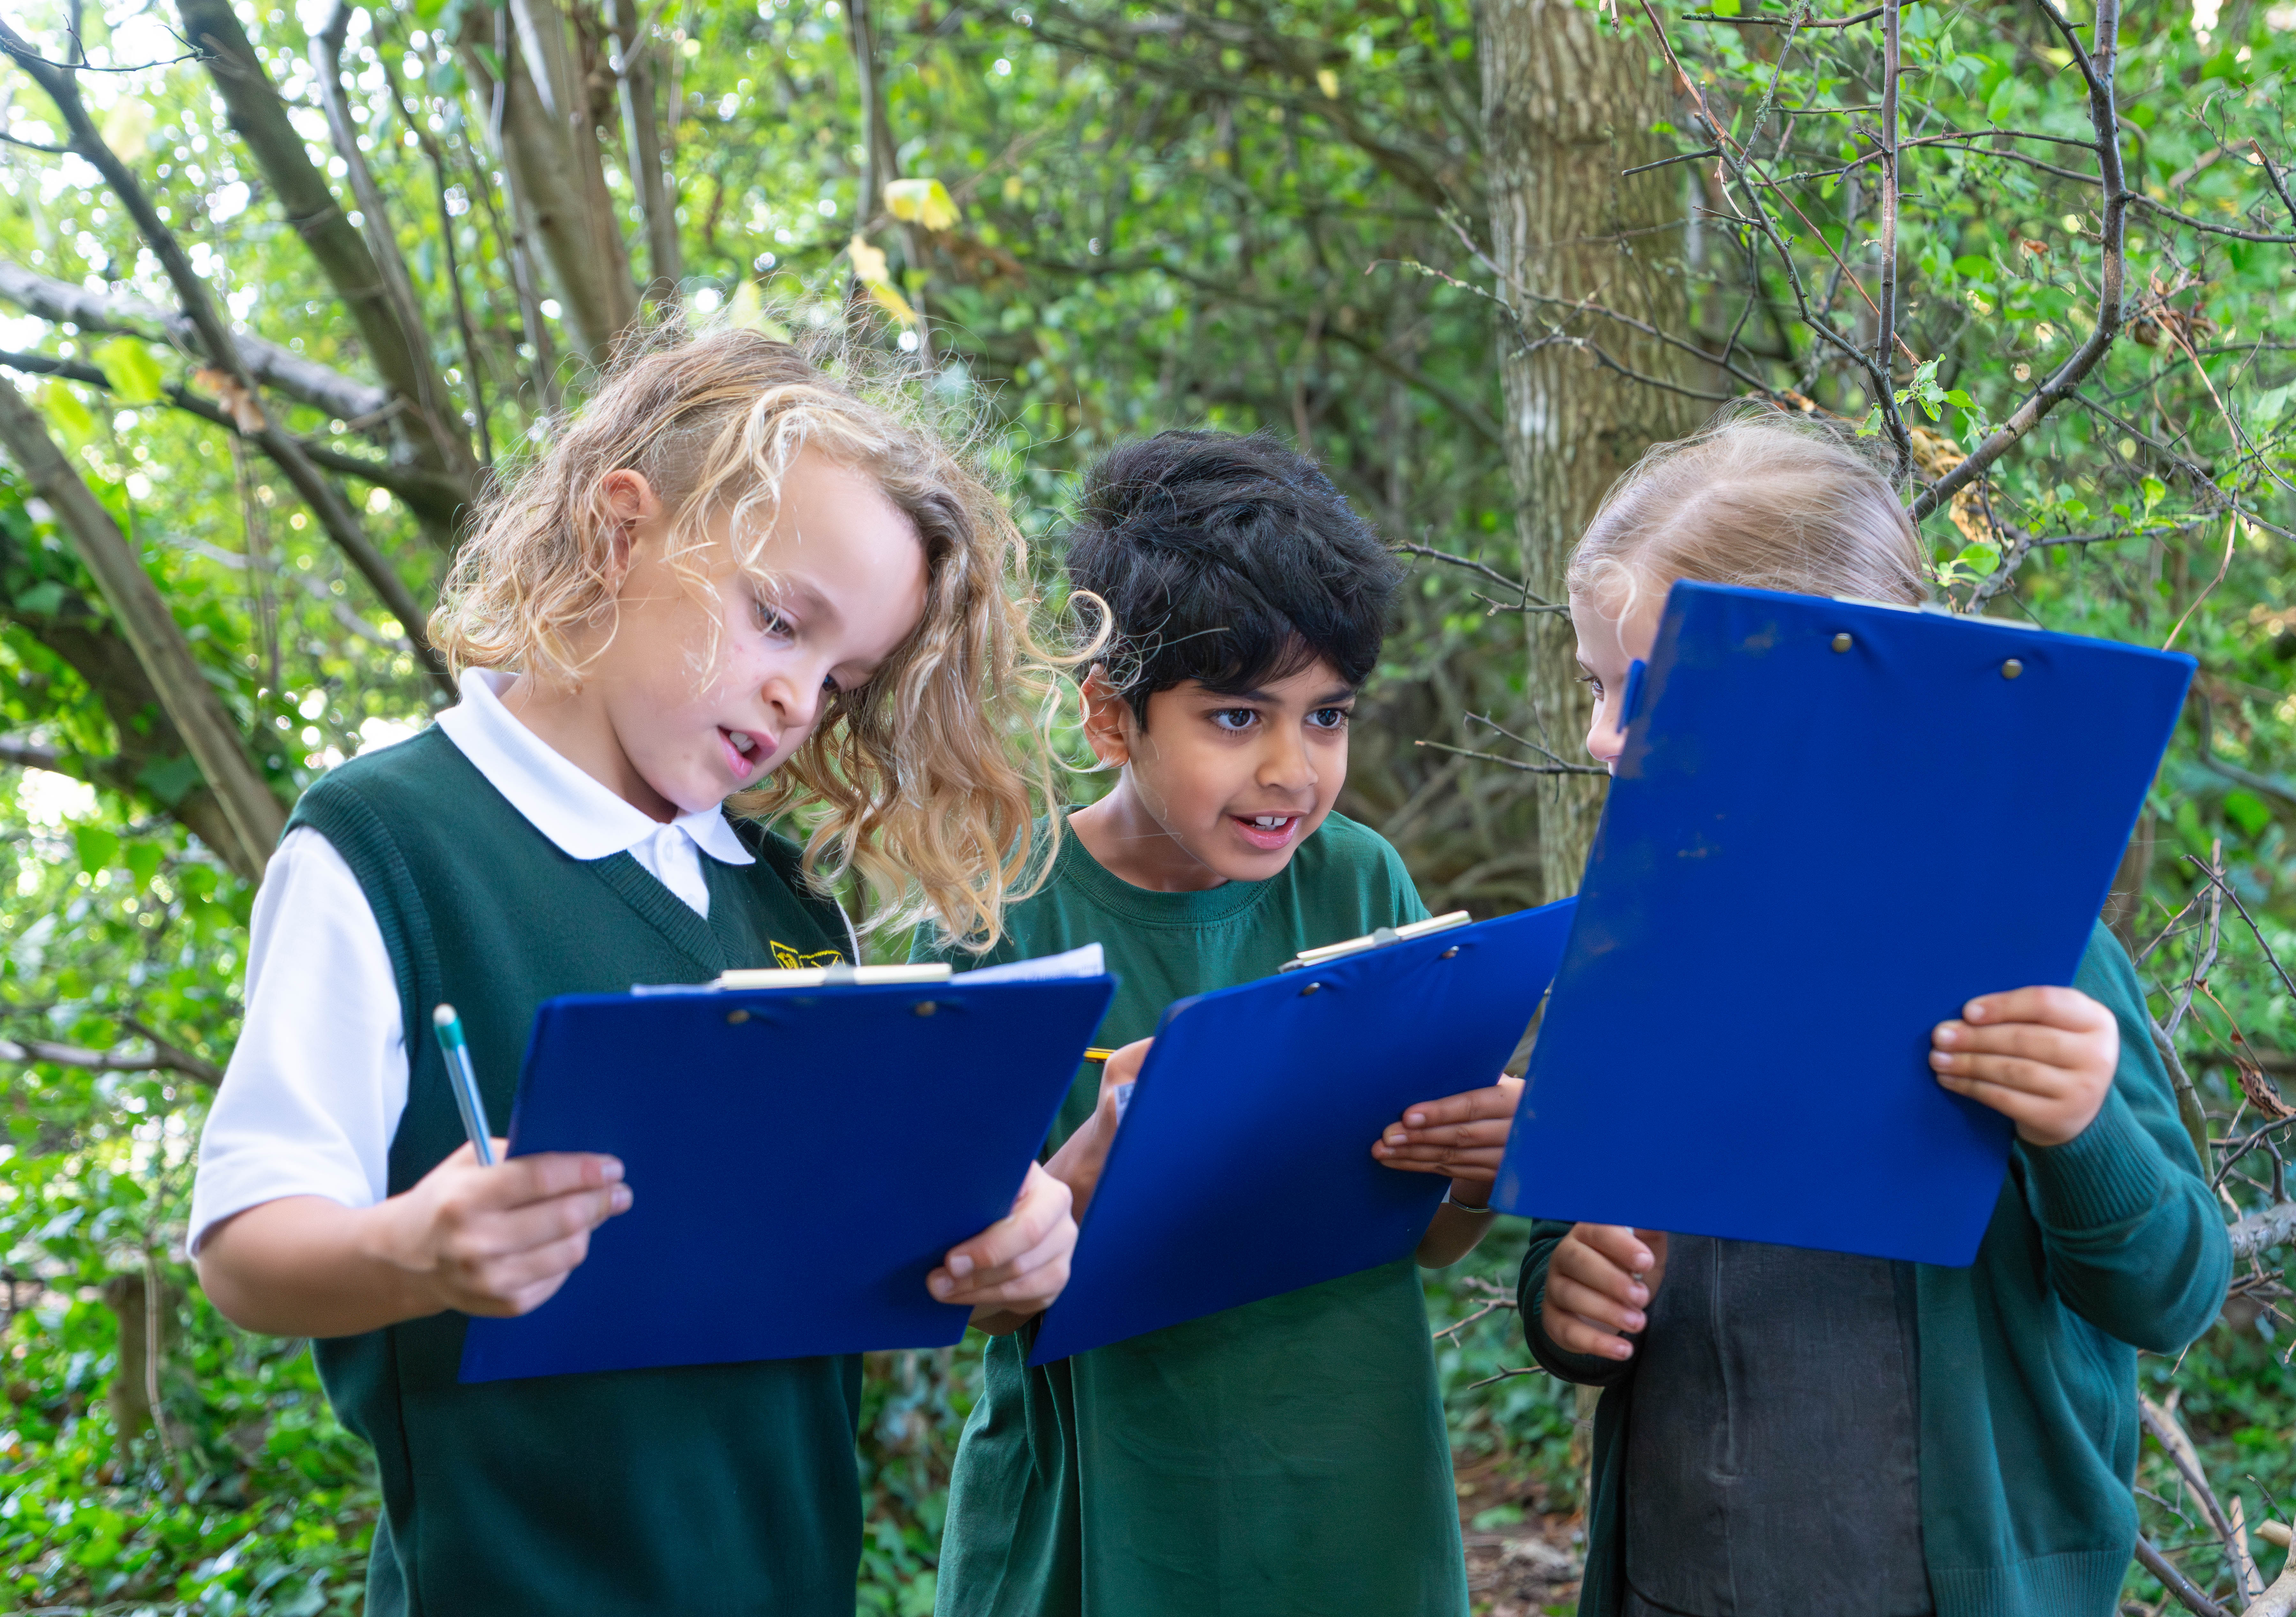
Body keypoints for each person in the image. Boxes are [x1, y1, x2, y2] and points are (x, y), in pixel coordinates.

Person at [188, 323, 1081, 1617]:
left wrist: (1007, 1244)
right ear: (619, 532)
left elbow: (832, 1263)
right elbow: (244, 1247)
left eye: (841, 682)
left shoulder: (788, 907)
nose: (796, 701)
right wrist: (414, 1248)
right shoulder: (391, 842)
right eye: (779, 622)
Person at [1520, 405, 2231, 1617]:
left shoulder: (2030, 949)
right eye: (1594, 686)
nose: (1598, 735)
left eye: (1643, 693)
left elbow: (2172, 1289)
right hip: (1683, 1582)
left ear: (1824, 693)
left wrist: (2082, 1124)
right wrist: (1566, 1293)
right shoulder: (1640, 938)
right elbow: (1576, 1235)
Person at [925, 430, 1515, 1617]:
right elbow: (974, 1293)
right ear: (1111, 717)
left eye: (1330, 715)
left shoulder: (1360, 884)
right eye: (1239, 717)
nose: (1293, 770)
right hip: (1103, 1514)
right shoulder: (1002, 923)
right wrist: (1096, 1158)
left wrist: (1476, 1169)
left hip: (1351, 1501)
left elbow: (1421, 1238)